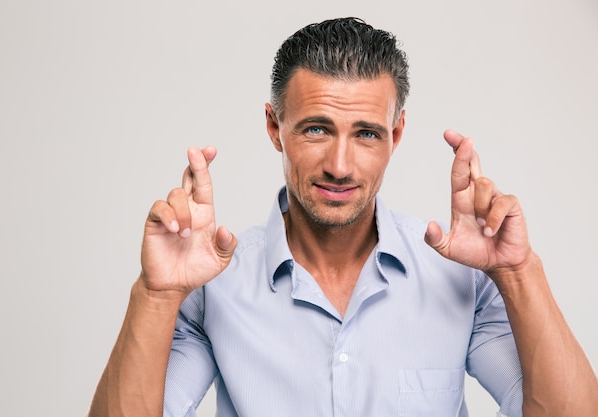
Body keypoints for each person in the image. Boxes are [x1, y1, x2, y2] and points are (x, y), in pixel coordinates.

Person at [89, 17, 598, 417]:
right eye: (316, 129)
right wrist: (156, 297)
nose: (339, 165)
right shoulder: (213, 284)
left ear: (396, 136)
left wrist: (516, 271)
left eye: (366, 134)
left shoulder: (461, 275)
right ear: (274, 127)